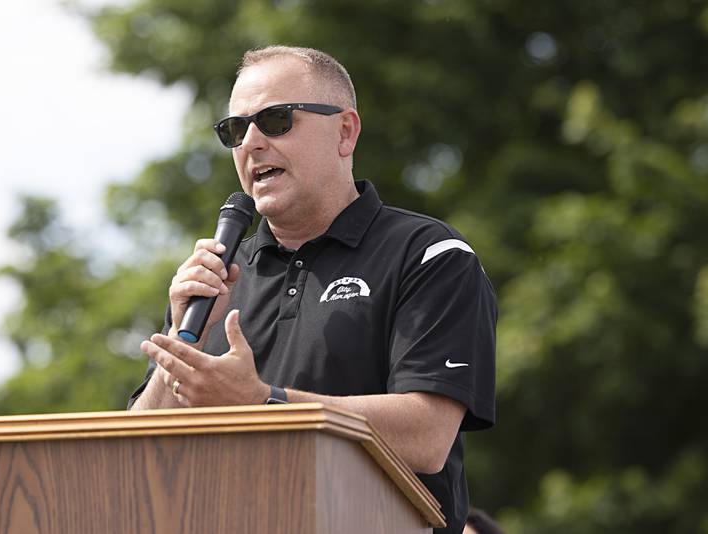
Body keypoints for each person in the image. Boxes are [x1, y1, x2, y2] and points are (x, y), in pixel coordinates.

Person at [128, 45, 497, 534]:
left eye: (276, 119)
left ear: (345, 131)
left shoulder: (429, 254)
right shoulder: (217, 276)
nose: (251, 143)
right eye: (236, 130)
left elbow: (427, 434)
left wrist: (265, 404)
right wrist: (180, 335)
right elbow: (136, 453)